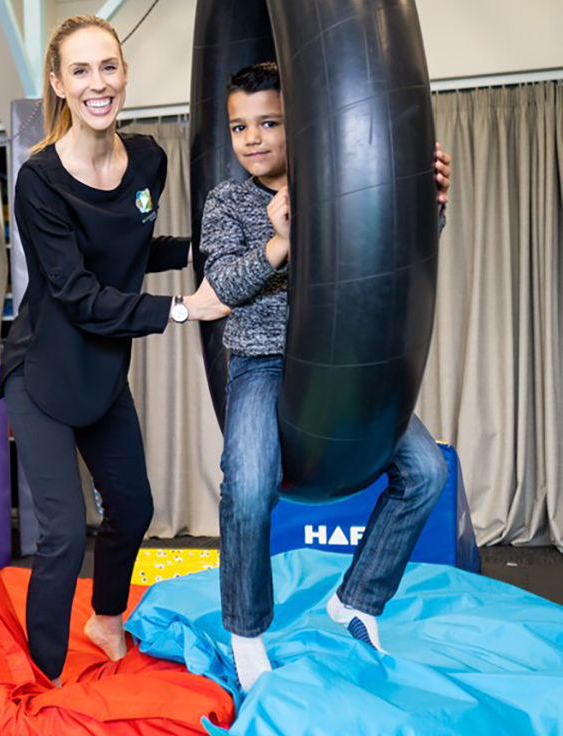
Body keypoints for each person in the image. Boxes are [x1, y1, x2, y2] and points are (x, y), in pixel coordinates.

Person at [200, 62, 453, 692]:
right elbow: (222, 285)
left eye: (269, 123)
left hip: (340, 366)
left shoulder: (345, 184)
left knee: (426, 471)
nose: (251, 139)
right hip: (262, 363)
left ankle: (357, 601)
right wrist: (279, 242)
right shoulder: (228, 201)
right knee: (250, 482)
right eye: (239, 126)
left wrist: (431, 205)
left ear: (303, 124)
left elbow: (389, 248)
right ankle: (247, 632)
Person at [0, 14, 229, 685]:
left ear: (124, 74)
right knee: (66, 533)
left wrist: (196, 252)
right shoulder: (40, 181)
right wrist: (184, 308)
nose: (98, 84)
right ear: (58, 83)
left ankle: (105, 618)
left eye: (108, 67)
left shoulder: (149, 161)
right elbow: (76, 292)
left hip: (101, 375)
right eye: (81, 71)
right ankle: (40, 682)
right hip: (41, 376)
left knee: (134, 510)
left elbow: (128, 251)